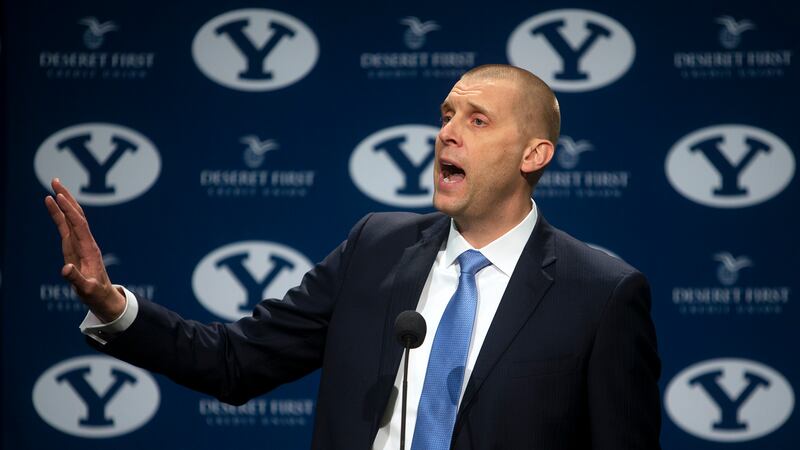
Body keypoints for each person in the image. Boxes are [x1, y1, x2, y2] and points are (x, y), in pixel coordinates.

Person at [46, 64, 661, 449]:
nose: (447, 132)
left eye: (478, 120)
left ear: (534, 155)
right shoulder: (376, 247)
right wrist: (111, 305)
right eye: (447, 116)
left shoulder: (600, 293)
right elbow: (233, 362)